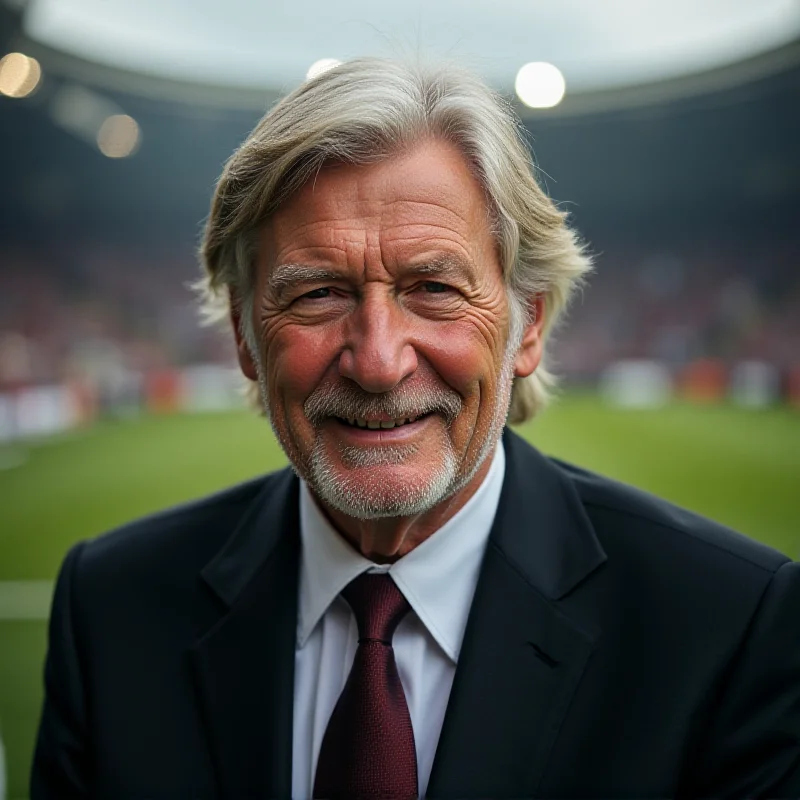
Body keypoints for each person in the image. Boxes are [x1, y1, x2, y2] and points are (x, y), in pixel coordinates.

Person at [32, 58, 799, 799]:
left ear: (527, 325)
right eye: (319, 293)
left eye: (433, 288)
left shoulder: (729, 627)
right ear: (242, 334)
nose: (377, 361)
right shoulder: (109, 611)